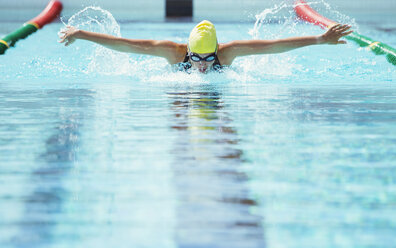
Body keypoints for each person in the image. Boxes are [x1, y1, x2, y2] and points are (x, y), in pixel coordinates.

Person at [59, 20, 352, 73]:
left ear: (217, 51)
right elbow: (126, 46)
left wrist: (320, 39)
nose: (201, 64)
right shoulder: (173, 52)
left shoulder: (228, 52)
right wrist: (82, 34)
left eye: (208, 58)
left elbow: (273, 46)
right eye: (196, 57)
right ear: (187, 51)